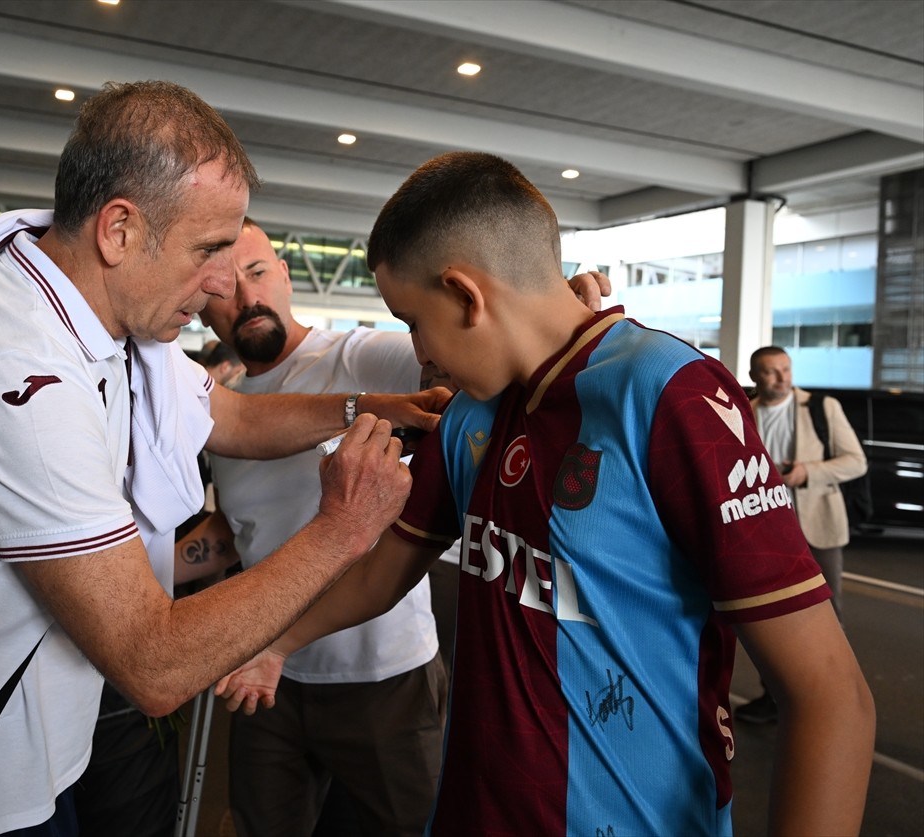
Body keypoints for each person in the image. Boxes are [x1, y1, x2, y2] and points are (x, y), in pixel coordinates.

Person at [0, 80, 443, 836]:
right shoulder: (18, 370)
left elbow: (237, 417)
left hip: (33, 758)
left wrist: (366, 407)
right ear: (119, 230)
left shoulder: (104, 328)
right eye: (209, 250)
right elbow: (153, 662)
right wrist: (343, 528)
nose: (223, 284)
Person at [216, 152, 876, 837]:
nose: (420, 350)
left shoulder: (672, 394)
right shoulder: (473, 411)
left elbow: (833, 698)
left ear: (467, 296)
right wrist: (274, 640)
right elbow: (382, 574)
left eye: (413, 320)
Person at [197, 219, 448, 837]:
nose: (247, 298)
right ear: (201, 308)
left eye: (257, 273)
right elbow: (243, 532)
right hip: (265, 675)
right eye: (223, 289)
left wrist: (546, 315)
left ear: (284, 276)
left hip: (383, 675)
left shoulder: (358, 357)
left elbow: (451, 357)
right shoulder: (218, 412)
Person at [734, 345, 868, 725]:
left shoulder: (821, 408)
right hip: (766, 527)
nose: (781, 378)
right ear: (755, 375)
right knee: (768, 613)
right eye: (771, 372)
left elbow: (856, 461)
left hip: (817, 523)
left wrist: (807, 471)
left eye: (786, 370)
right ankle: (774, 697)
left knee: (827, 613)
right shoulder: (743, 410)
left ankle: (835, 699)